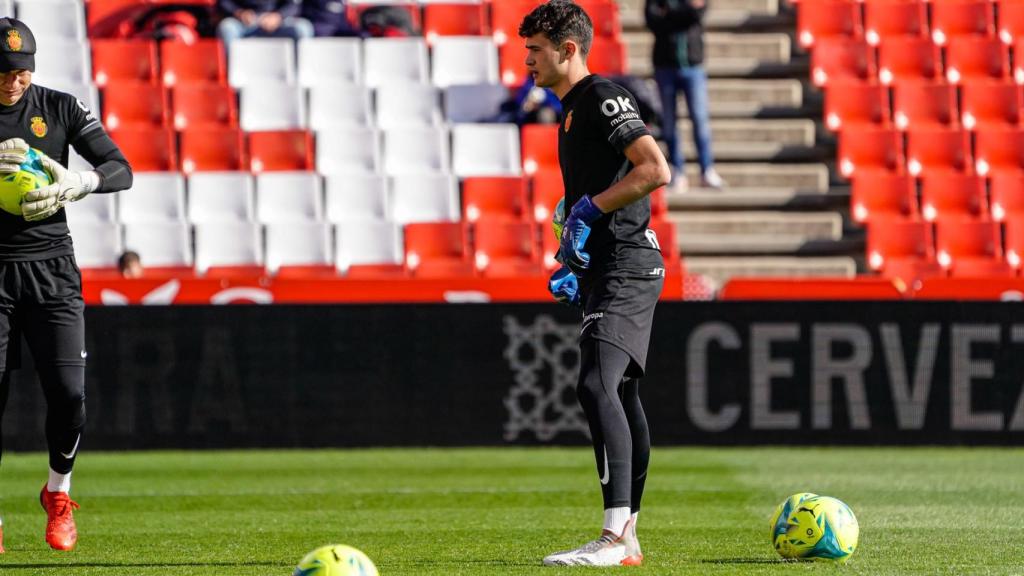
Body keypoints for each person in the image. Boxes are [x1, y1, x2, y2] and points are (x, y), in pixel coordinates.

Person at [519, 1, 671, 567]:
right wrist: (575, 254)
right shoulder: (569, 110)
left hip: (629, 264)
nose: (528, 62)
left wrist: (586, 211)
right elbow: (600, 188)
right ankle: (626, 538)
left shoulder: (602, 97)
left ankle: (613, 538)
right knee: (621, 392)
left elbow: (654, 169)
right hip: (612, 264)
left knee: (595, 385)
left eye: (536, 50)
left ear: (568, 49)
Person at [0, 18, 133, 551]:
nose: (14, 81)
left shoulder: (60, 107)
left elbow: (120, 167)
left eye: (22, 69)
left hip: (53, 269)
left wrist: (81, 181)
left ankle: (58, 493)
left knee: (70, 396)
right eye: (5, 71)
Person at [645, 0, 725, 191]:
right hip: (665, 66)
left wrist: (671, 11)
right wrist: (684, 12)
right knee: (669, 122)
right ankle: (677, 170)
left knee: (700, 119)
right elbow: (652, 20)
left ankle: (707, 169)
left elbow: (697, 13)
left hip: (693, 64)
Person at [216, 0, 314, 44]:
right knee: (227, 27)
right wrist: (239, 13)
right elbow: (223, 2)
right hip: (245, 23)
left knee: (303, 28)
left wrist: (278, 16)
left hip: (277, 22)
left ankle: (300, 77)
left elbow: (293, 5)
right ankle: (234, 75)